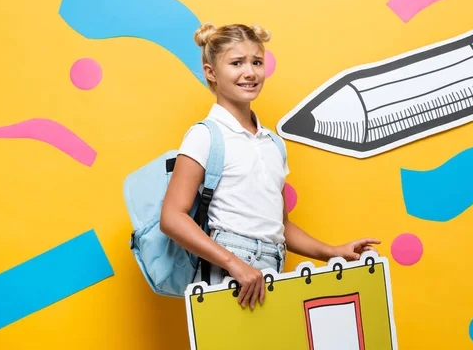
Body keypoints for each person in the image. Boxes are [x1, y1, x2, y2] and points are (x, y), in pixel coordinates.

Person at [160, 22, 380, 311]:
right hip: (230, 273)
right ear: (210, 72)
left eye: (257, 62)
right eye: (236, 63)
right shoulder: (205, 135)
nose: (250, 72)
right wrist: (234, 264)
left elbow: (281, 225)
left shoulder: (273, 143)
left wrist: (332, 252)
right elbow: (172, 217)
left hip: (273, 269)